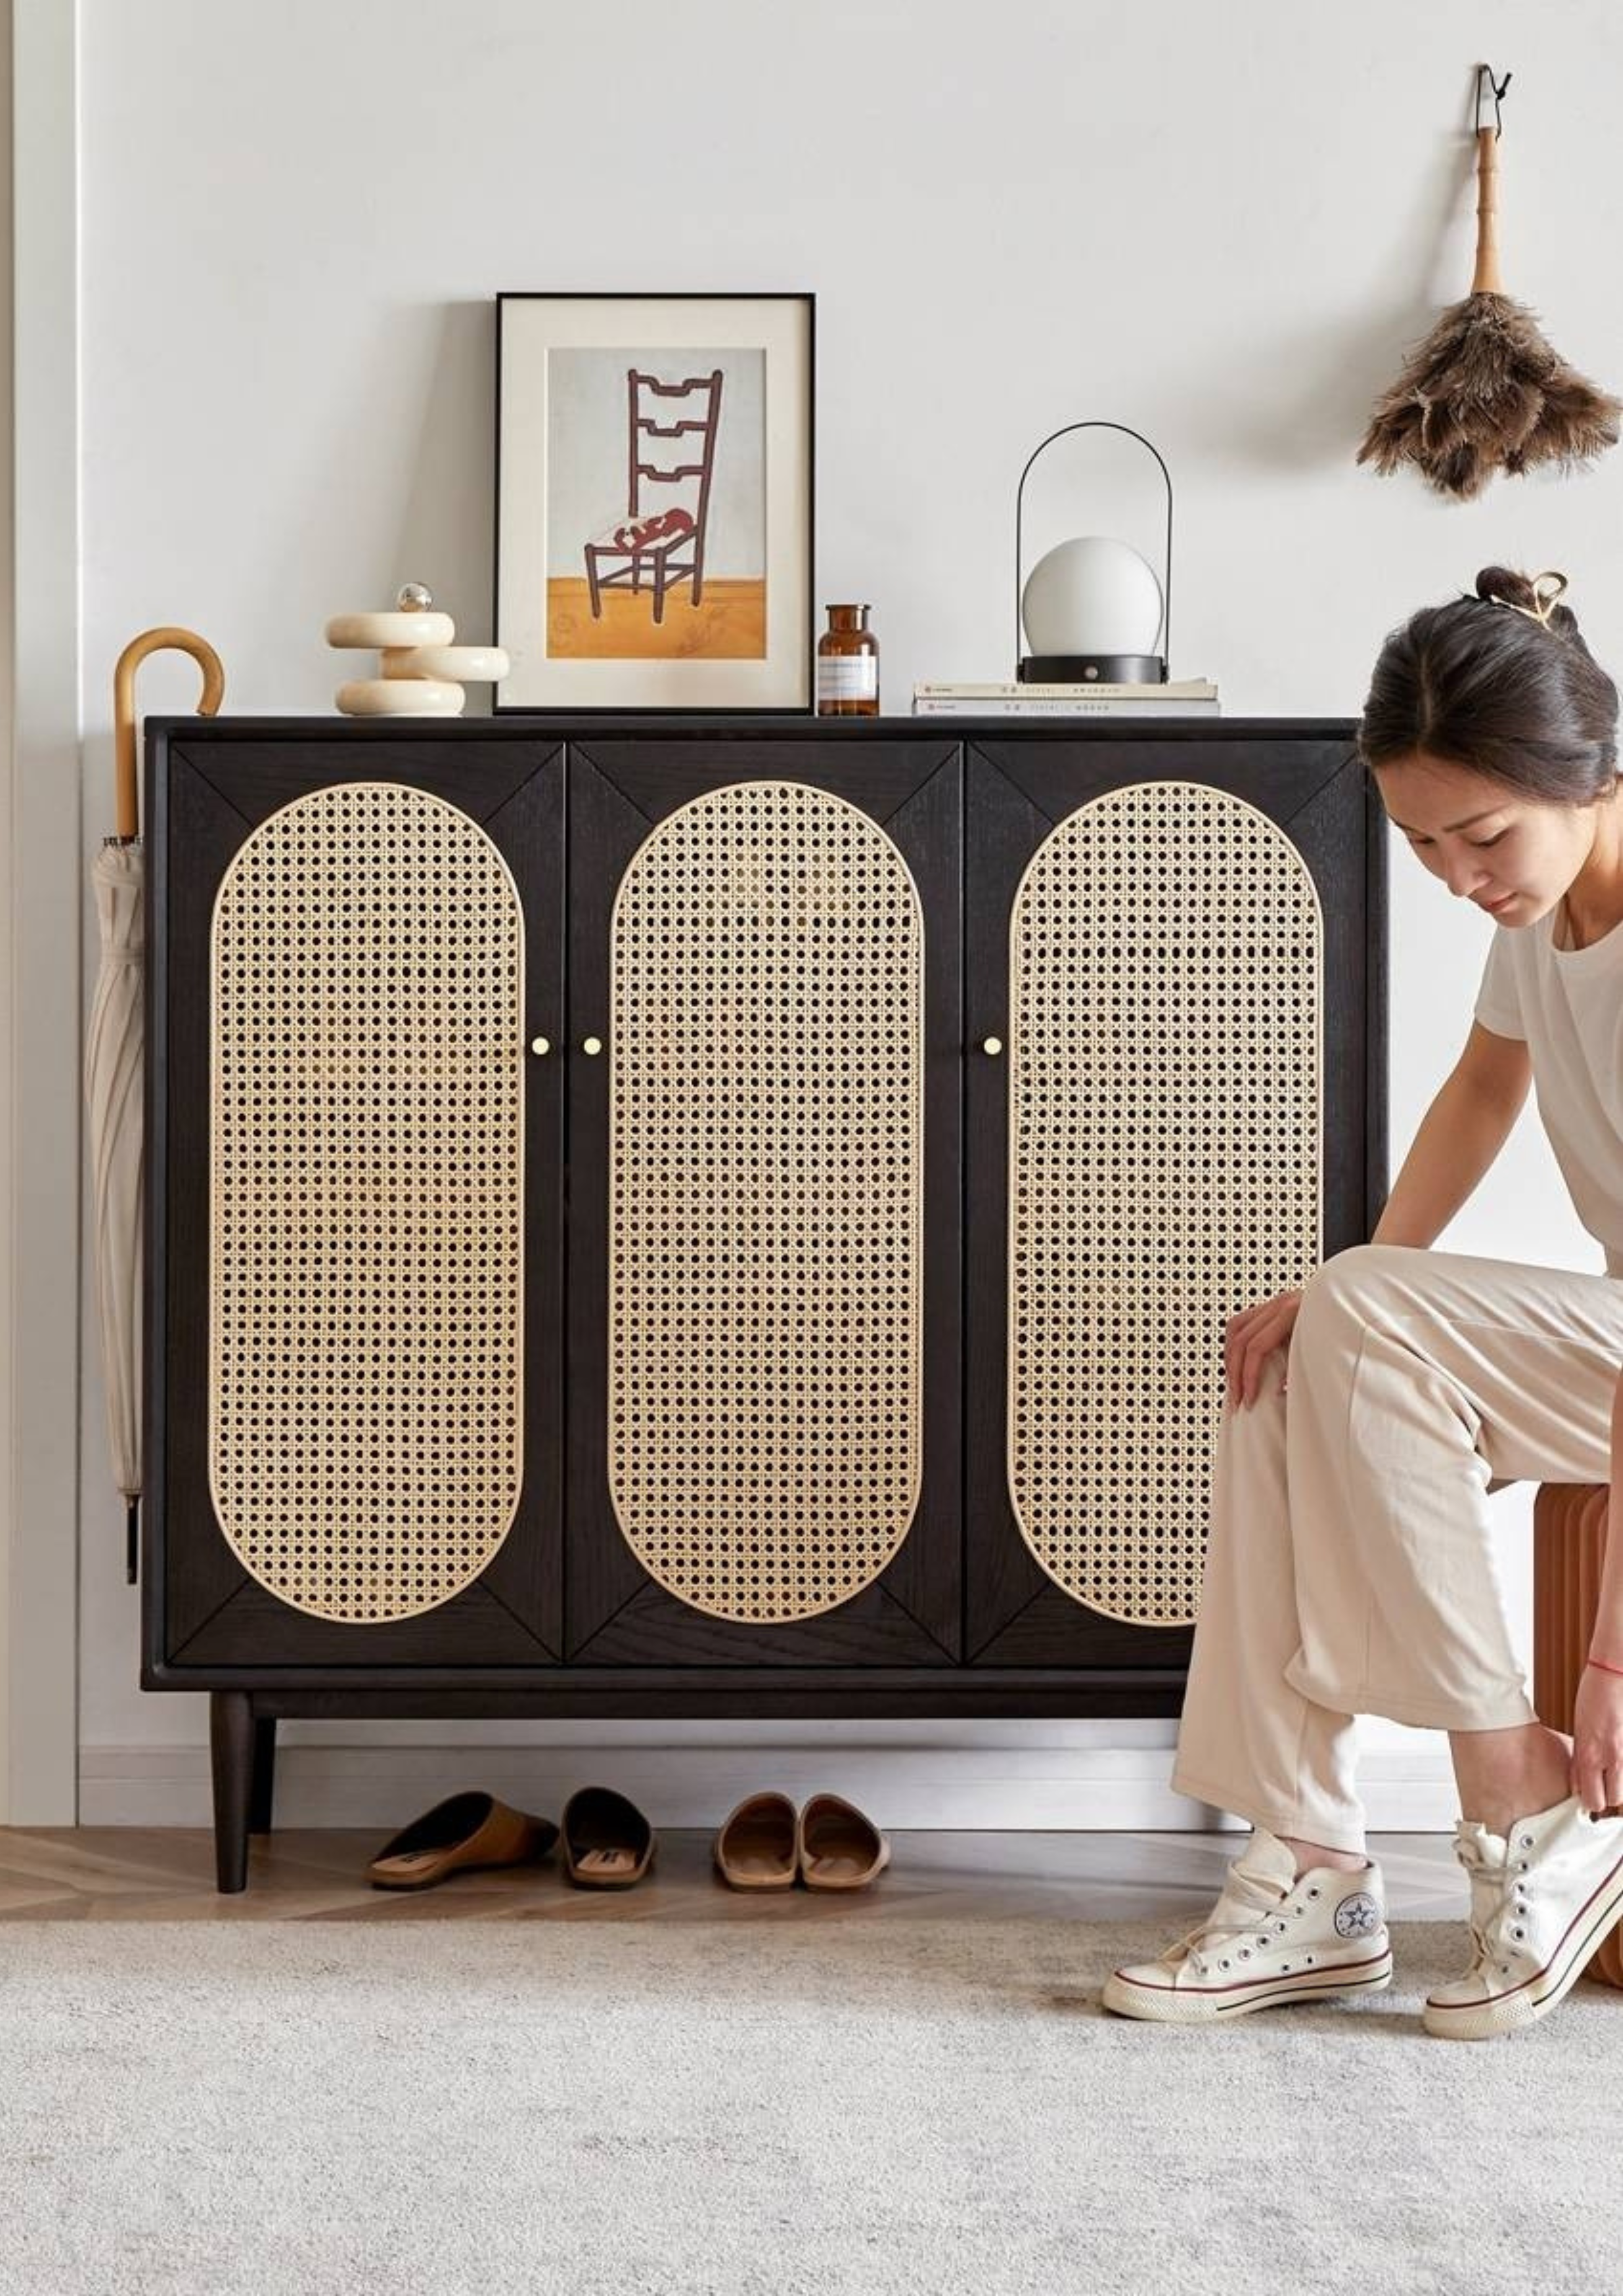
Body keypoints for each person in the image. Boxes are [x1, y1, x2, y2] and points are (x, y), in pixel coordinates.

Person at [1102, 564, 1623, 2040]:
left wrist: (1608, 1666)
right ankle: (1315, 1859)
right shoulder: (1551, 908)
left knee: (1350, 1310)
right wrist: (1349, 1290)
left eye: (1483, 835)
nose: (1459, 875)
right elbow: (1483, 1086)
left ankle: (1513, 1793)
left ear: (1586, 771)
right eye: (1422, 844)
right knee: (1289, 1357)